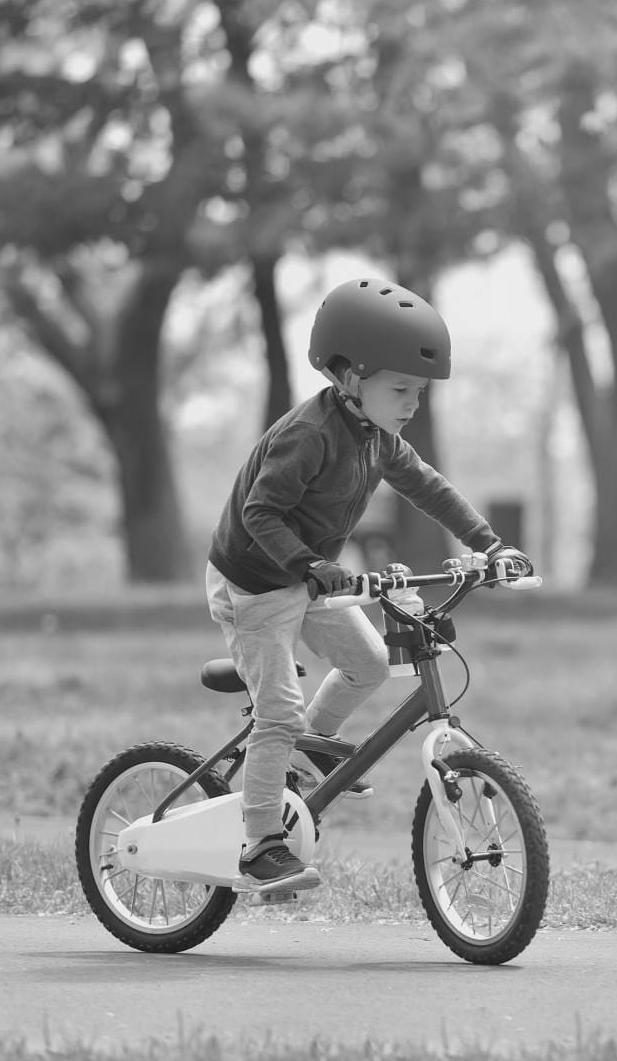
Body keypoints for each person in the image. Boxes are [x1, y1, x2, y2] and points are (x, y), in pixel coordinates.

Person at [205, 278, 529, 895]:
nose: (412, 403)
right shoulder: (310, 434)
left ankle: (305, 756)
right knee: (278, 710)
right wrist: (310, 566)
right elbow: (260, 513)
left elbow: (430, 489)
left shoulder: (380, 439)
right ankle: (260, 844)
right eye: (400, 388)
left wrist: (489, 545)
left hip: (306, 578)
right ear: (350, 377)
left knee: (370, 664)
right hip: (254, 585)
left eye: (420, 392)